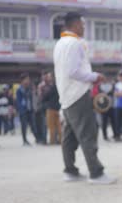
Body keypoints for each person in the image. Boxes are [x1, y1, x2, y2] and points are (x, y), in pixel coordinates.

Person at [53, 12, 116, 184]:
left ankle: (70, 170)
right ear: (74, 25)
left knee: (70, 136)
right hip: (78, 94)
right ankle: (96, 173)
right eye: (82, 24)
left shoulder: (60, 43)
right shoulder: (74, 43)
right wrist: (94, 76)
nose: (84, 28)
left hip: (66, 95)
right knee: (88, 133)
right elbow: (73, 71)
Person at [16, 73, 37, 146]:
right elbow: (18, 101)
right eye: (26, 79)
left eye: (28, 79)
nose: (28, 81)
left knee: (33, 125)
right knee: (24, 126)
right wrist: (20, 110)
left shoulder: (30, 88)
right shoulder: (19, 89)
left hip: (30, 109)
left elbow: (32, 98)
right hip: (23, 110)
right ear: (22, 80)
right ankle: (24, 140)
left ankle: (37, 138)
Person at [41, 72, 62, 145]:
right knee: (59, 126)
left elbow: (44, 97)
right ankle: (61, 140)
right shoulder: (60, 86)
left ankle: (52, 141)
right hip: (58, 108)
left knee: (51, 126)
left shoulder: (51, 87)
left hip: (51, 109)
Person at [98, 76, 117, 141]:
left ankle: (115, 134)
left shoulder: (112, 85)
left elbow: (113, 93)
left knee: (113, 121)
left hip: (111, 106)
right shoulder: (100, 86)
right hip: (103, 107)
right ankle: (105, 135)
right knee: (104, 122)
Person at [34, 72, 49, 144]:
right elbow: (40, 97)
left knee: (46, 124)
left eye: (47, 76)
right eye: (45, 76)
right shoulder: (41, 86)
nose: (46, 78)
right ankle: (44, 139)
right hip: (43, 107)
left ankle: (46, 139)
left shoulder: (51, 85)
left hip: (49, 106)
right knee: (44, 123)